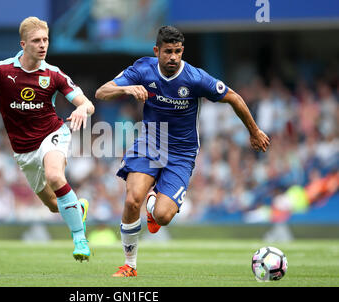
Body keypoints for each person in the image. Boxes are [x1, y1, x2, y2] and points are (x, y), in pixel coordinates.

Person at [95, 26, 270, 277]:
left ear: (182, 51)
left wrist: (254, 131)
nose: (173, 57)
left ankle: (154, 203)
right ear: (157, 51)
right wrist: (126, 89)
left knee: (163, 216)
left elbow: (233, 97)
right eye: (168, 51)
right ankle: (129, 265)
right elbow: (102, 92)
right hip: (149, 144)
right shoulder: (142, 69)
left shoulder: (196, 78)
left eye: (177, 51)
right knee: (133, 198)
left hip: (181, 154)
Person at [0, 17, 95, 261]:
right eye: (36, 41)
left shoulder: (54, 75)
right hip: (24, 150)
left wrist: (81, 108)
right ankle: (79, 209)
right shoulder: (0, 71)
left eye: (46, 40)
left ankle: (80, 239)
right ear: (23, 44)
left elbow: (87, 104)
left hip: (52, 134)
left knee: (56, 176)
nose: (43, 45)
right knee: (54, 206)